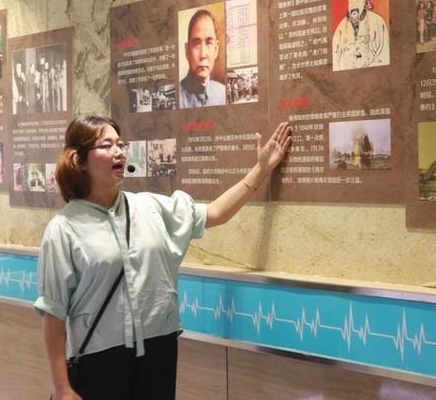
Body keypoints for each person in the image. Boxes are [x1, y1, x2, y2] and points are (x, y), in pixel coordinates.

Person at [35, 115, 291, 400]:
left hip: (158, 352)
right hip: (100, 361)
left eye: (121, 144)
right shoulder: (63, 229)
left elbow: (215, 213)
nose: (119, 152)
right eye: (106, 146)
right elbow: (54, 314)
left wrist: (262, 168)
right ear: (79, 160)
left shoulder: (150, 207)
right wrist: (62, 388)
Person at [332, 0, 390, 71]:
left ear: (366, 2)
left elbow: (384, 56)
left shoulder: (377, 22)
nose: (353, 4)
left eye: (358, 0)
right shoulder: (341, 27)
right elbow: (334, 60)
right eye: (351, 0)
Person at [179, 9, 227, 108]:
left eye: (209, 43)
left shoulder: (223, 93)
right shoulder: (177, 97)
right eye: (196, 44)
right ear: (187, 50)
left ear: (216, 50)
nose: (203, 55)